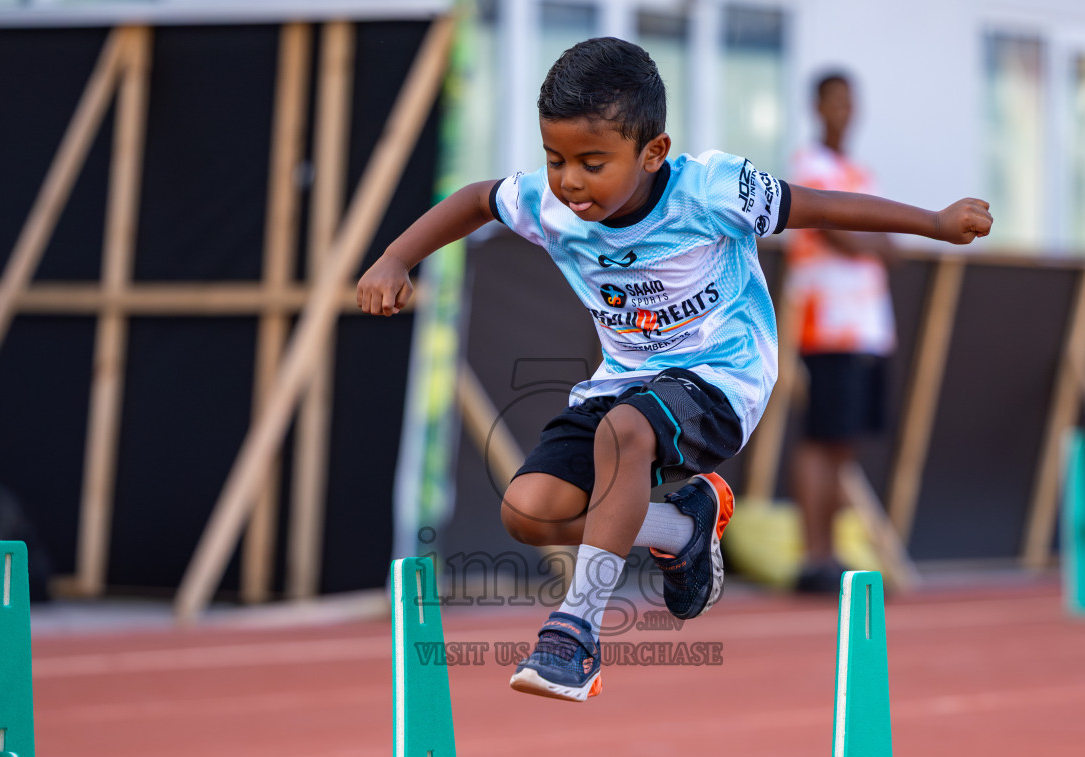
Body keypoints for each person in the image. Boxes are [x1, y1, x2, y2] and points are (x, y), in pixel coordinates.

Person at [356, 37, 991, 702]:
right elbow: (478, 200)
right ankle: (683, 526)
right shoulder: (549, 203)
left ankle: (576, 631)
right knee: (529, 511)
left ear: (653, 152)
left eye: (592, 163)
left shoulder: (712, 189)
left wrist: (935, 222)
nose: (570, 181)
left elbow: (825, 206)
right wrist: (396, 258)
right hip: (625, 379)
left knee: (625, 433)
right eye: (556, 159)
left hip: (723, 376)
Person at [785, 71, 898, 593]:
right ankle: (814, 556)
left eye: (850, 102)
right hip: (826, 320)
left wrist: (872, 239)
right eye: (834, 102)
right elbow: (843, 235)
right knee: (820, 438)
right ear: (817, 107)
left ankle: (829, 553)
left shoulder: (861, 172)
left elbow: (875, 240)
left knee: (843, 443)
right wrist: (873, 239)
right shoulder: (808, 166)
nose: (843, 111)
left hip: (868, 325)